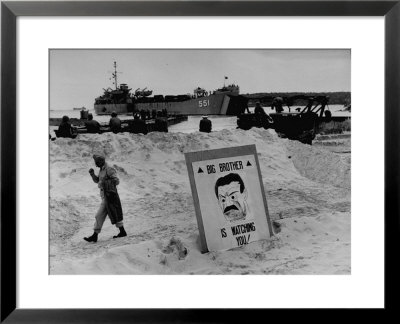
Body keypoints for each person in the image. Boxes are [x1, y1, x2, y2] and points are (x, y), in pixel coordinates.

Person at [84, 154, 127, 243]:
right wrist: (92, 175)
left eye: (97, 162)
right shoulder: (101, 170)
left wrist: (104, 182)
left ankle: (95, 236)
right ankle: (122, 232)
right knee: (114, 213)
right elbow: (97, 181)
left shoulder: (109, 169)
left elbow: (116, 181)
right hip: (105, 196)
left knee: (99, 215)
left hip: (110, 196)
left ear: (102, 161)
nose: (96, 164)